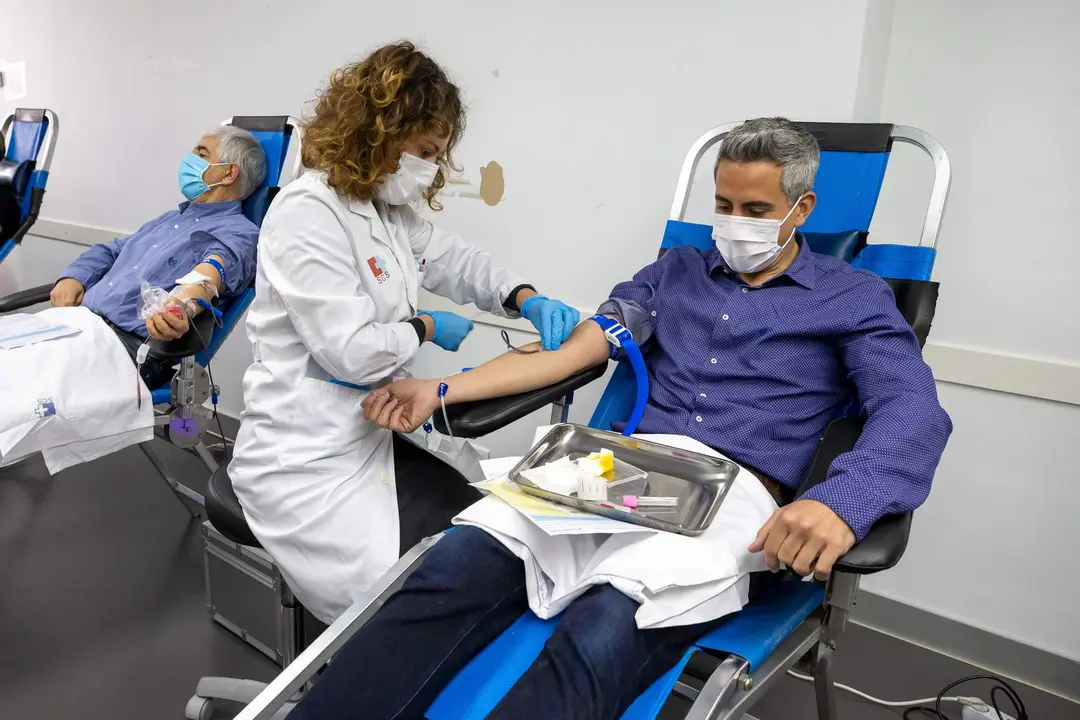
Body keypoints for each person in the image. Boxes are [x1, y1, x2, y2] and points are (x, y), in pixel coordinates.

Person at [289, 117, 954, 720]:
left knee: (605, 627)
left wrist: (841, 503)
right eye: (722, 206)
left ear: (801, 209)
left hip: (734, 488)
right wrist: (443, 388)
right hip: (615, 468)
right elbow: (582, 348)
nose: (732, 223)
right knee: (451, 569)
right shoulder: (675, 272)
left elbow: (912, 408)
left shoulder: (854, 296)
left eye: (756, 210)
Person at [228, 41, 580, 625]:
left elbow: (456, 260)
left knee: (477, 537)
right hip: (304, 456)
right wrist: (423, 325)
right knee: (411, 598)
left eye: (437, 154)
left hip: (370, 431)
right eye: (423, 150)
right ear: (379, 130)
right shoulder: (306, 212)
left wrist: (524, 296)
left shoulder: (386, 213)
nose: (431, 168)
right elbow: (351, 353)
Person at [49, 125, 266, 386]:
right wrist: (75, 277)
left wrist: (182, 305)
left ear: (229, 173)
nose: (190, 159)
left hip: (121, 349)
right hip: (78, 325)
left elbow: (211, 273)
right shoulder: (172, 219)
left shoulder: (240, 233)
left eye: (201, 153)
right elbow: (112, 250)